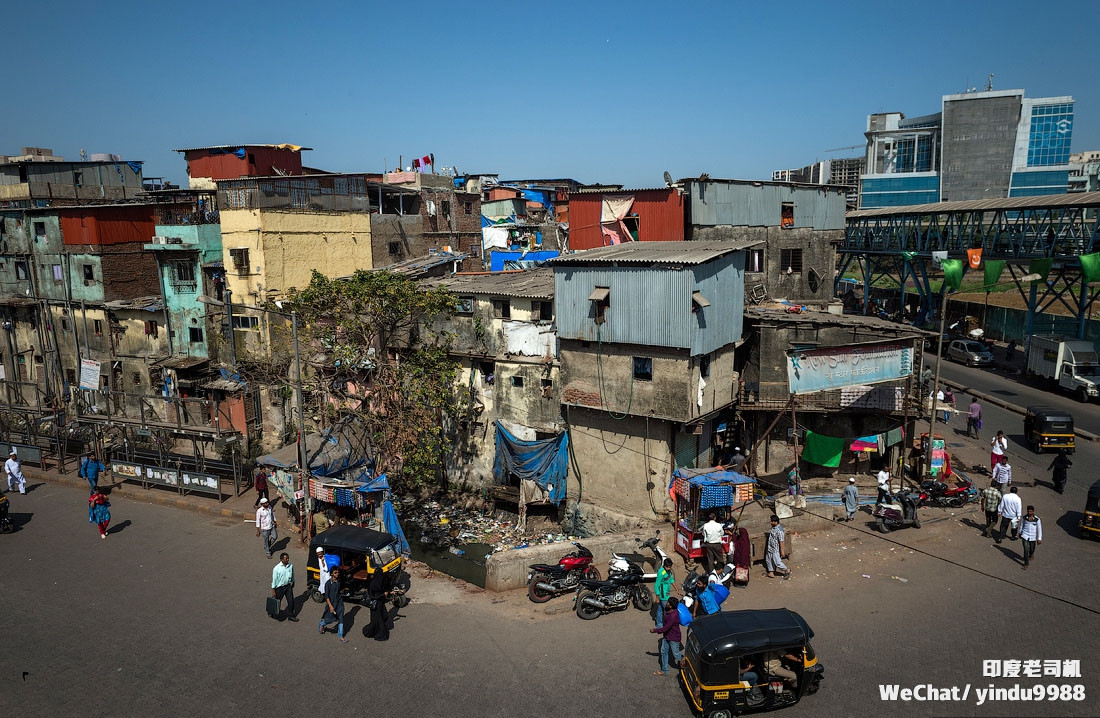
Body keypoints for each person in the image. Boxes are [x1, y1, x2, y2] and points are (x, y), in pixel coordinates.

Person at [650, 596, 682, 676]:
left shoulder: (673, 615)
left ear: (671, 606)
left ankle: (686, 661)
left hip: (674, 637)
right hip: (667, 636)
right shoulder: (668, 610)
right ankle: (664, 670)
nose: (666, 603)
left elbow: (666, 628)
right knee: (663, 651)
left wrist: (654, 630)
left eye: (668, 602)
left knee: (676, 654)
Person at [319, 566, 347, 643]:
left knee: (341, 618)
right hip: (331, 604)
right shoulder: (328, 584)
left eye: (338, 572)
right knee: (330, 619)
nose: (337, 574)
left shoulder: (339, 581)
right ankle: (322, 624)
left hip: (339, 602)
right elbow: (327, 597)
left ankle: (341, 636)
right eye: (335, 573)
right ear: (331, 574)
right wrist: (330, 606)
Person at [362, 570, 391, 641]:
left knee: (379, 618)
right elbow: (373, 596)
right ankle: (381, 634)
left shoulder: (379, 583)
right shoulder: (373, 585)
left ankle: (373, 631)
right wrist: (383, 595)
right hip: (375, 605)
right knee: (379, 619)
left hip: (380, 604)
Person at [271, 552, 298, 621]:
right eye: (286, 559)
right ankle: (272, 612)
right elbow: (274, 580)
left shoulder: (290, 566)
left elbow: (292, 574)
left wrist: (293, 581)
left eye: (288, 558)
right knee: (277, 601)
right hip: (280, 588)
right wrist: (273, 590)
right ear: (282, 559)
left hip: (288, 586)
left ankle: (291, 615)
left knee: (291, 601)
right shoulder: (276, 569)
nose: (288, 560)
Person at [765, 515, 789, 579]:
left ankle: (786, 570)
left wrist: (782, 551)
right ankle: (771, 573)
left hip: (775, 549)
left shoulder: (780, 530)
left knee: (777, 562)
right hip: (770, 548)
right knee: (768, 560)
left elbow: (781, 541)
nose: (770, 523)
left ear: (776, 522)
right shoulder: (773, 528)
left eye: (772, 521)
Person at [1019, 505, 1043, 570]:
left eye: (1030, 511)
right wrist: (1020, 532)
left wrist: (1039, 539)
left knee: (1032, 549)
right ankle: (1026, 564)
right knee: (1026, 549)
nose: (1029, 513)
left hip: (1033, 537)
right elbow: (1021, 525)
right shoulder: (1024, 518)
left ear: (1033, 511)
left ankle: (1031, 554)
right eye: (1028, 511)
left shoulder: (1037, 519)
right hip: (1025, 535)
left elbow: (1039, 529)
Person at [654, 557, 675, 628]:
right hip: (663, 595)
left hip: (667, 593)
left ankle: (659, 624)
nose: (669, 568)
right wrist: (657, 596)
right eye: (667, 567)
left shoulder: (668, 571)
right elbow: (657, 585)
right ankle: (666, 624)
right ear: (664, 565)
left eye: (670, 567)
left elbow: (671, 579)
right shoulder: (661, 572)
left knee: (660, 609)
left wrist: (676, 588)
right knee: (666, 610)